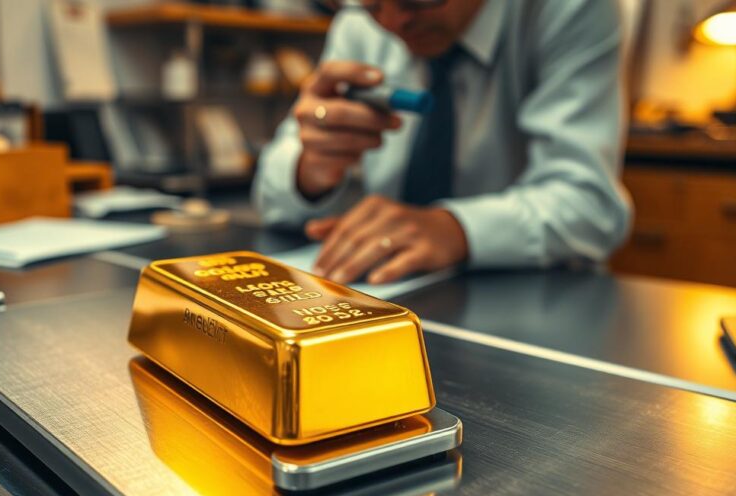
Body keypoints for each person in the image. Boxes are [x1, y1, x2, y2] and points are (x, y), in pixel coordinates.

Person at [252, 0, 632, 284]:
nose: (393, 22)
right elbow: (270, 195)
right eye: (373, 5)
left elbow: (589, 204)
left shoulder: (569, 9)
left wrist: (454, 229)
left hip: (536, 301)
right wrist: (312, 168)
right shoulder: (359, 21)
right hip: (388, 293)